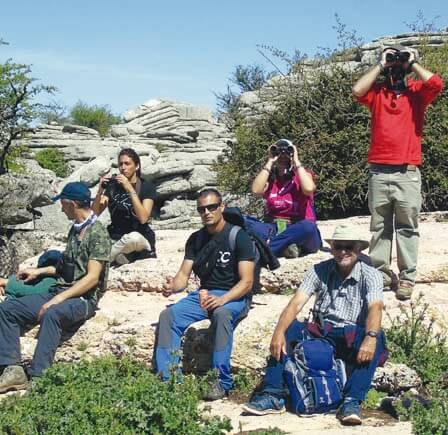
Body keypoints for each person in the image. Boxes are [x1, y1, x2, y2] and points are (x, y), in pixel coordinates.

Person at [241, 225, 386, 426]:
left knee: (377, 337)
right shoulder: (319, 270)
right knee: (289, 330)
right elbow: (296, 303)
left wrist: (370, 337)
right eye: (338, 246)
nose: (343, 251)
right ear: (332, 248)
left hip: (351, 334)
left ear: (359, 249)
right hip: (322, 332)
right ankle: (272, 394)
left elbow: (375, 307)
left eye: (349, 246)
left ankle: (352, 401)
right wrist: (278, 332)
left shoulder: (371, 275)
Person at [352, 45, 443, 300]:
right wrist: (381, 64)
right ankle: (380, 274)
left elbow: (436, 83)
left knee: (407, 226)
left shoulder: (417, 93)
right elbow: (357, 90)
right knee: (379, 226)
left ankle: (407, 277)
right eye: (394, 60)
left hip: (407, 171)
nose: (396, 65)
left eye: (398, 60)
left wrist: (411, 63)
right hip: (379, 171)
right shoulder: (378, 93)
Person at [0, 182, 111, 392]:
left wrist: (56, 300)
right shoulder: (75, 230)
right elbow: (67, 267)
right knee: (8, 309)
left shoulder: (97, 233)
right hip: (61, 290)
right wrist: (39, 271)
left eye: (63, 204)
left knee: (52, 314)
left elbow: (92, 278)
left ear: (71, 203)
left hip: (83, 298)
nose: (61, 209)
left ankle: (39, 377)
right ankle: (13, 369)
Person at [153, 188, 259, 401]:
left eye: (212, 207)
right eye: (202, 209)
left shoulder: (238, 237)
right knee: (168, 316)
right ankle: (170, 380)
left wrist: (222, 299)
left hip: (235, 295)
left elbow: (247, 281)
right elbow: (183, 275)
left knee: (221, 315)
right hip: (204, 295)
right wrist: (172, 286)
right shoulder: (195, 239)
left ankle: (221, 381)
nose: (207, 212)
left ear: (221, 207)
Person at [248, 139, 322, 259]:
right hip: (274, 227)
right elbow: (256, 190)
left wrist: (296, 161)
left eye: (287, 152)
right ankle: (286, 247)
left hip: (297, 226)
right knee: (242, 220)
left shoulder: (303, 174)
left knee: (308, 227)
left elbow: (309, 189)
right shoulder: (270, 179)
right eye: (278, 153)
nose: (283, 157)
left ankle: (266, 251)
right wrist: (270, 161)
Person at [92, 148, 157, 266]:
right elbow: (94, 214)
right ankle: (120, 256)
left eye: (127, 164)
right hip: (116, 237)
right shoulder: (113, 187)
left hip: (138, 237)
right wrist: (100, 191)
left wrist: (129, 188)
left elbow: (143, 218)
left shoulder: (146, 187)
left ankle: (101, 260)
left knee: (133, 238)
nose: (123, 167)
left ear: (136, 166)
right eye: (120, 164)